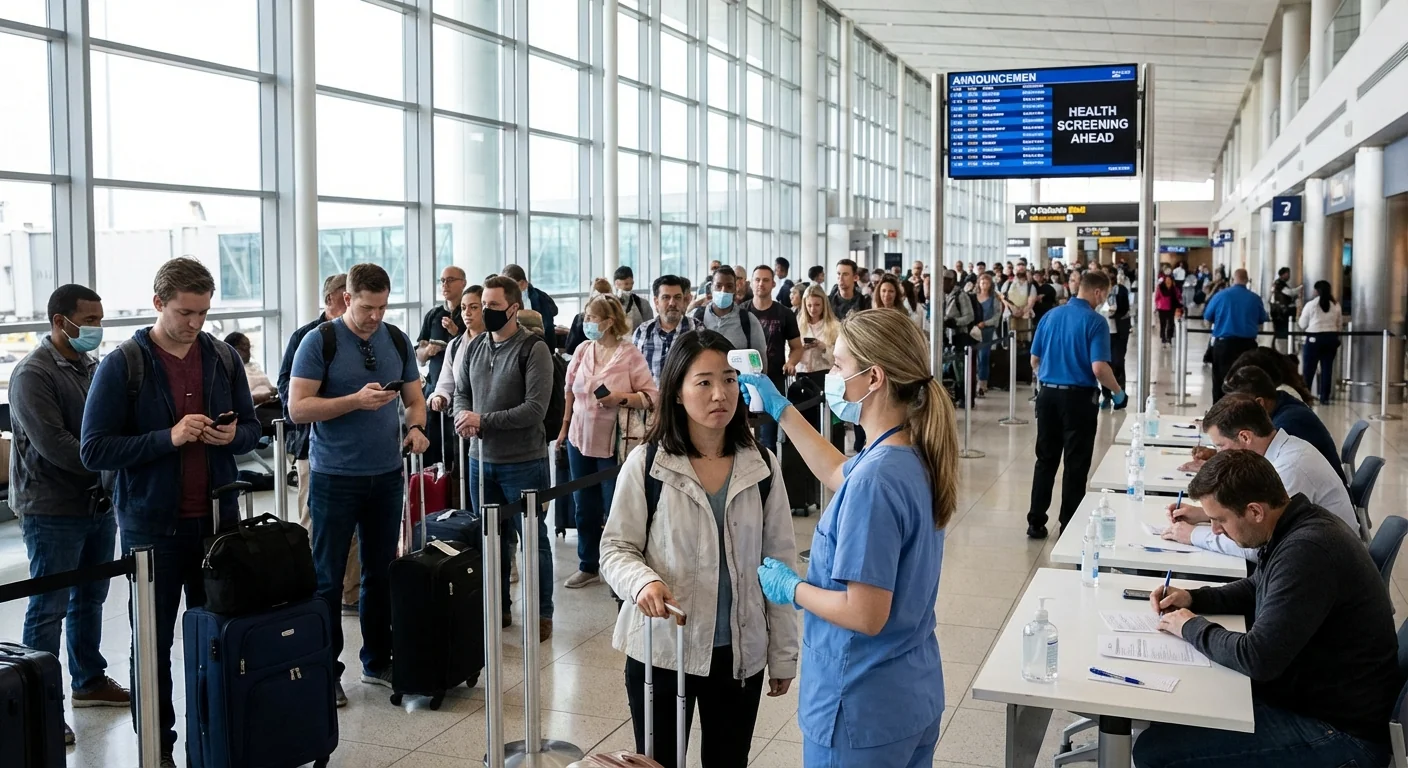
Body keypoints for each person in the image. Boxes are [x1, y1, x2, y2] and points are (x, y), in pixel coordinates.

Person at [739, 309, 955, 767]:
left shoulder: (877, 481)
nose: (832, 375)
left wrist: (793, 589)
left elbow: (865, 613)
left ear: (873, 377)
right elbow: (839, 471)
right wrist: (781, 408)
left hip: (860, 708)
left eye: (838, 365)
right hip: (907, 695)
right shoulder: (905, 453)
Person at [80, 258, 260, 765]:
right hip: (151, 529)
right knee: (153, 647)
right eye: (185, 312)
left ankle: (214, 736)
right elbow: (94, 449)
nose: (195, 323)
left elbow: (252, 428)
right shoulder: (124, 364)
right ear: (158, 304)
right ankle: (157, 746)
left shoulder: (222, 358)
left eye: (203, 312)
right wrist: (170, 437)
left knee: (215, 641)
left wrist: (233, 436)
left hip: (216, 526)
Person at [598, 330, 797, 767]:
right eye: (704, 382)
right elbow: (615, 548)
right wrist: (643, 581)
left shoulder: (761, 464)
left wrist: (783, 653)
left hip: (739, 654)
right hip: (663, 651)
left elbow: (779, 563)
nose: (719, 394)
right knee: (659, 763)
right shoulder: (649, 463)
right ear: (677, 392)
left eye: (729, 379)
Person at [1134, 450, 1396, 768]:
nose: (1214, 530)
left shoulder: (1307, 551)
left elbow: (1257, 658)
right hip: (1312, 700)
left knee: (1155, 752)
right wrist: (1192, 598)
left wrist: (1191, 626)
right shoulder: (1295, 524)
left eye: (1220, 520)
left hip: (1341, 733)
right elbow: (1256, 587)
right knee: (1177, 712)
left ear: (1255, 511)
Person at [288, 263, 429, 702]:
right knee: (327, 579)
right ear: (347, 299)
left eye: (383, 307)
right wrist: (355, 401)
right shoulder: (320, 341)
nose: (375, 316)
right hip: (334, 477)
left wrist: (416, 427)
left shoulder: (397, 339)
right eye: (368, 307)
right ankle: (326, 671)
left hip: (386, 475)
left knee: (380, 572)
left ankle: (378, 660)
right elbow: (298, 409)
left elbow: (414, 399)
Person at [12, 285, 129, 745]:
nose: (97, 328)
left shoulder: (90, 366)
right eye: (90, 319)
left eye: (101, 319)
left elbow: (108, 426)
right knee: (48, 606)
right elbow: (56, 446)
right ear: (61, 321)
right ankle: (39, 702)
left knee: (91, 597)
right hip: (52, 508)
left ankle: (89, 681)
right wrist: (116, 459)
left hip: (97, 502)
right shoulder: (32, 374)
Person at [453, 275, 556, 641]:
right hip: (481, 460)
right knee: (492, 539)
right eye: (484, 306)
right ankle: (499, 609)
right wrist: (463, 417)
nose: (486, 312)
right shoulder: (476, 346)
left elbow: (534, 409)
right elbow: (461, 392)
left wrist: (484, 421)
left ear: (514, 308)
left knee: (533, 539)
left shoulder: (534, 349)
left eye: (494, 306)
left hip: (524, 461)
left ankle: (542, 613)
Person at [1164, 395, 1355, 560]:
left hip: (1328, 565)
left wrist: (1193, 535)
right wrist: (1205, 514)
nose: (1218, 454)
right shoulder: (1284, 450)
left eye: (1220, 446)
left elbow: (1260, 545)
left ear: (1245, 437)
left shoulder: (1289, 469)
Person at [558, 294, 658, 589]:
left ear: (609, 322)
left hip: (614, 445)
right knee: (583, 505)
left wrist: (620, 398)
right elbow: (569, 391)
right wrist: (564, 428)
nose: (586, 322)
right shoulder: (583, 349)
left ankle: (622, 566)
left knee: (615, 505)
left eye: (591, 318)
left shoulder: (629, 355)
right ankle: (588, 564)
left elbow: (651, 396)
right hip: (580, 439)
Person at [1027, 271, 1128, 539]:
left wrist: (1050, 376)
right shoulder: (1096, 322)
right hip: (1078, 400)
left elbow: (1034, 360)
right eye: (1105, 294)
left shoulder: (1050, 316)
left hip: (1047, 396)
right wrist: (1118, 393)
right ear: (1097, 292)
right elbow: (1099, 368)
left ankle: (1036, 521)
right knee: (1075, 463)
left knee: (1045, 460)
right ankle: (1068, 525)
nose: (1104, 299)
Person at [278, 273, 357, 612]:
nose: (351, 306)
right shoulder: (308, 338)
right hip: (314, 447)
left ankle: (351, 591)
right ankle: (315, 591)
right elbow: (287, 392)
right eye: (346, 298)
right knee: (316, 521)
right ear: (330, 300)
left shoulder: (362, 337)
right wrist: (331, 403)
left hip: (356, 449)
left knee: (355, 528)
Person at [1222, 365, 1344, 484]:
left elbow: (1261, 473)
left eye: (1236, 408)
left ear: (1259, 403)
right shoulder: (1282, 403)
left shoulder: (1288, 424)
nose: (1234, 414)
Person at [743, 265, 801, 455]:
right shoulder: (741, 312)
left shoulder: (784, 314)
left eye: (766, 280)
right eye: (757, 279)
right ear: (751, 283)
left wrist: (791, 362)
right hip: (743, 382)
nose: (761, 284)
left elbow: (797, 347)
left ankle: (769, 479)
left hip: (773, 381)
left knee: (768, 439)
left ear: (773, 283)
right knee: (742, 437)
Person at [1202, 268, 1268, 402]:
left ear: (1233, 279)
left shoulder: (1220, 296)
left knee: (1220, 382)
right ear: (1247, 280)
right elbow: (1261, 323)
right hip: (1247, 346)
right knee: (1246, 382)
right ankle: (1243, 411)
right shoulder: (1255, 298)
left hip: (1224, 346)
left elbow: (1207, 319)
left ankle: (1219, 413)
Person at [632, 274, 702, 383]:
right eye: (666, 297)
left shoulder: (697, 329)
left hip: (687, 398)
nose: (672, 303)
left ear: (684, 300)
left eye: (677, 297)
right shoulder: (643, 332)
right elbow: (633, 372)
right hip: (652, 398)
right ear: (656, 302)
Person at [691, 267, 767, 365]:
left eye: (729, 286)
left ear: (735, 290)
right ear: (711, 288)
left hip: (736, 379)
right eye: (718, 286)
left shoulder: (748, 320)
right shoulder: (696, 318)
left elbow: (760, 361)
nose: (723, 291)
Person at [427, 284, 484, 414]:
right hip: (462, 418)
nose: (467, 313)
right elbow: (446, 383)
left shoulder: (496, 342)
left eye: (474, 307)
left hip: (489, 417)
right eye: (463, 308)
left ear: (485, 308)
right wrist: (439, 396)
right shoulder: (455, 345)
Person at [1298, 279, 1342, 404]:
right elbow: (1339, 325)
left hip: (1314, 339)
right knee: (1327, 369)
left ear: (1316, 291)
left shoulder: (1311, 305)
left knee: (1309, 369)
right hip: (1331, 339)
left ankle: (1306, 397)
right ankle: (1325, 398)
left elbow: (1302, 324)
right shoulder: (1336, 305)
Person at [501, 263, 560, 350]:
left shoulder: (540, 299)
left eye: (510, 286)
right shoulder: (502, 299)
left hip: (537, 345)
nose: (507, 291)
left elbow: (547, 327)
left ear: (523, 284)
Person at [1098, 264, 1132, 409]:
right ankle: (1106, 395)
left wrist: (1114, 314)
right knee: (1105, 364)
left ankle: (1120, 395)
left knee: (1117, 362)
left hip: (1118, 332)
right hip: (1104, 332)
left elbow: (1124, 308)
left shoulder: (1120, 290)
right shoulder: (1098, 292)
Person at [223, 332, 276, 406]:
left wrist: (273, 391)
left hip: (269, 404)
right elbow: (237, 401)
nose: (248, 353)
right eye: (244, 348)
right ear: (232, 350)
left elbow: (269, 388)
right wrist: (264, 396)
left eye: (249, 348)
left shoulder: (253, 366)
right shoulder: (229, 372)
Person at [973, 272, 999, 397]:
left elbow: (996, 316)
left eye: (987, 283)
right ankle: (974, 380)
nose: (984, 285)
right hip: (974, 329)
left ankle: (982, 383)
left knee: (984, 356)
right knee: (974, 357)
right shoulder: (973, 297)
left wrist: (985, 323)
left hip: (987, 330)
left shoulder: (994, 299)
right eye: (982, 282)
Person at [1000, 264, 1036, 342]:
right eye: (1018, 270)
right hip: (1010, 314)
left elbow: (1031, 301)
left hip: (1025, 315)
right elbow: (1003, 297)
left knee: (1024, 337)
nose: (1020, 271)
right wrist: (1012, 309)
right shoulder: (1008, 284)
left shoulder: (1030, 286)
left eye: (1022, 270)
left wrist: (1022, 311)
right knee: (1012, 338)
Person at [613, 265, 654, 331]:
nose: (630, 287)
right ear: (617, 284)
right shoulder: (609, 304)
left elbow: (650, 328)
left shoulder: (643, 304)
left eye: (632, 283)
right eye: (626, 284)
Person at [1269, 266, 1300, 348]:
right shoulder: (1279, 283)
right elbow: (1289, 293)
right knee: (1281, 332)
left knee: (1279, 331)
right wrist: (1300, 288)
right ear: (1282, 274)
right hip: (1281, 313)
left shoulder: (1279, 283)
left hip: (1279, 312)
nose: (1289, 276)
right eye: (1287, 274)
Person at [1154, 273, 1182, 346]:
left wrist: (1179, 305)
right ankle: (1163, 337)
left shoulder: (1174, 289)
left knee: (1171, 324)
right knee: (1163, 324)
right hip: (1162, 308)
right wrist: (1157, 306)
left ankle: (1169, 337)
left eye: (1169, 280)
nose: (1168, 281)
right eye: (1167, 280)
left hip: (1171, 308)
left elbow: (1178, 297)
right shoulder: (1160, 287)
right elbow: (1157, 298)